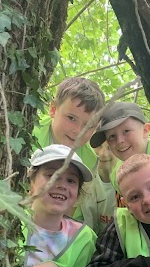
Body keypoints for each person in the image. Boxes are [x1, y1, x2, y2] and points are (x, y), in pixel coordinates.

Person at [33, 77, 111, 234]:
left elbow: (69, 206)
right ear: (53, 109)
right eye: (71, 118)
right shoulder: (31, 135)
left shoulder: (89, 159)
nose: (78, 131)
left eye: (88, 126)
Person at [89, 102, 150, 217]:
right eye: (112, 136)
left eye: (126, 131)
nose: (119, 140)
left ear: (145, 130)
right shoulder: (117, 173)